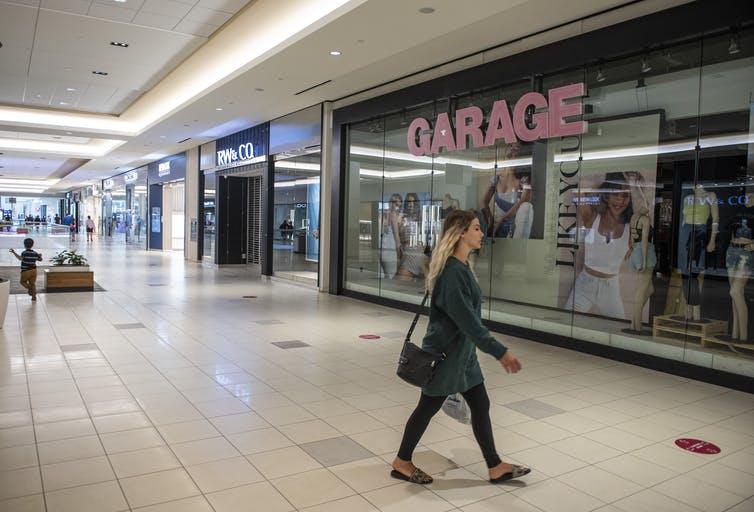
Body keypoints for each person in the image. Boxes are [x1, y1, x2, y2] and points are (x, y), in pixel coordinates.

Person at [392, 209, 530, 485]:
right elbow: (469, 322)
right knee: (427, 407)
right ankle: (402, 461)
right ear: (461, 233)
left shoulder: (462, 267)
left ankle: (495, 466)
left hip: (463, 356)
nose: (482, 233)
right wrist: (500, 351)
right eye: (477, 228)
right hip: (445, 356)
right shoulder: (453, 273)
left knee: (481, 403)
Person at [565, 172, 645, 318]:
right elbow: (579, 190)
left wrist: (633, 186)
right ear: (607, 196)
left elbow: (644, 211)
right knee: (566, 322)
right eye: (615, 194)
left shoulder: (631, 228)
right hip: (585, 284)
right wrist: (606, 179)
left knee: (617, 330)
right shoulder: (592, 218)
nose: (620, 201)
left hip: (611, 288)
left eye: (625, 196)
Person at [380, 193, 403, 279]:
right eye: (397, 205)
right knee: (391, 274)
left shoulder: (385, 213)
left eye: (399, 205)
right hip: (390, 247)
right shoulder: (393, 214)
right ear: (392, 203)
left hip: (383, 246)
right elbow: (396, 236)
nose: (398, 207)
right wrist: (399, 251)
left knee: (386, 274)